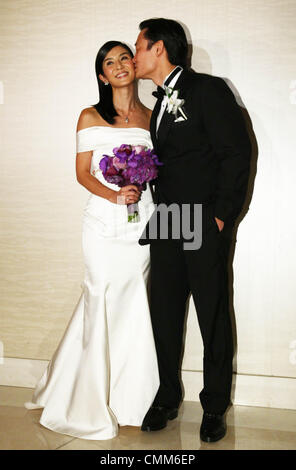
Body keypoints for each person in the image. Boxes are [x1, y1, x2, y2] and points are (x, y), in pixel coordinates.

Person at [25, 41, 159, 440]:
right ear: (102, 75)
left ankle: (130, 398)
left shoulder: (152, 118)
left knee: (134, 299)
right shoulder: (89, 116)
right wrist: (115, 194)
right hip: (103, 222)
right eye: (109, 62)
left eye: (124, 58)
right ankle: (83, 397)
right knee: (99, 295)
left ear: (134, 66)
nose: (118, 65)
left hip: (142, 222)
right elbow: (83, 173)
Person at [134, 18, 251, 442]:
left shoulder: (208, 90)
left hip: (202, 219)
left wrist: (219, 217)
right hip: (166, 218)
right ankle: (167, 397)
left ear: (159, 49)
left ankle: (215, 405)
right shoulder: (159, 103)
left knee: (212, 315)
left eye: (139, 47)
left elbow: (236, 154)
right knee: (163, 312)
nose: (135, 55)